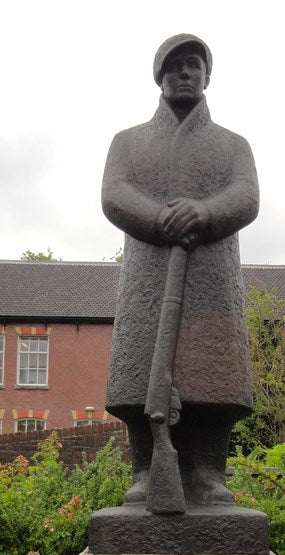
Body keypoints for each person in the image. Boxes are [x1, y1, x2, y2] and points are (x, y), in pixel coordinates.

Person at [102, 33, 259, 508]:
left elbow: (246, 195)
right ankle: (147, 471)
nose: (184, 73)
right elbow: (114, 193)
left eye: (193, 64)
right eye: (174, 67)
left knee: (214, 378)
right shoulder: (128, 141)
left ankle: (209, 474)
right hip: (150, 274)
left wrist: (205, 213)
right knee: (140, 374)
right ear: (160, 78)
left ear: (207, 74)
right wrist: (159, 219)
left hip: (211, 278)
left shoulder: (233, 144)